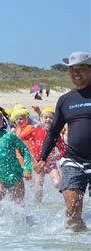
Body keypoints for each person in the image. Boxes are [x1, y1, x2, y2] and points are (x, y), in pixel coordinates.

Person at [36, 51, 91, 232]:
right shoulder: (66, 100)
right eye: (72, 69)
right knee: (72, 208)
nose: (76, 73)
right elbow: (53, 132)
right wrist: (43, 157)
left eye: (81, 68)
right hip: (74, 159)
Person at [21, 107, 65, 203]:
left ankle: (59, 201)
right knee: (38, 187)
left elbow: (63, 149)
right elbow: (21, 138)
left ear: (54, 121)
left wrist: (57, 156)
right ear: (41, 119)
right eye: (45, 117)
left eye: (51, 118)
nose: (48, 119)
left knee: (57, 183)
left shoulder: (56, 135)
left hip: (51, 163)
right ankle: (37, 205)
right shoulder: (35, 131)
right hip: (38, 163)